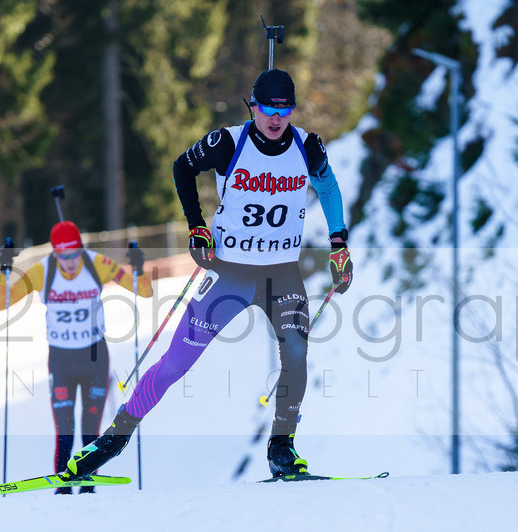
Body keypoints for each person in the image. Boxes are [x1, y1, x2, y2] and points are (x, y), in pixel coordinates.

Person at [60, 69, 354, 480]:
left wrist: (339, 243)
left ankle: (282, 448)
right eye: (267, 108)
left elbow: (328, 186)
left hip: (281, 275)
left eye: (284, 109)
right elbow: (182, 168)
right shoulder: (228, 142)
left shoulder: (308, 147)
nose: (276, 118)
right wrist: (196, 226)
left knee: (297, 354)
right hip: (229, 273)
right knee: (177, 363)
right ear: (253, 106)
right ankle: (114, 437)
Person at [0, 221, 152, 493]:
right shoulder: (43, 270)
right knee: (64, 429)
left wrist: (138, 268)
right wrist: (5, 270)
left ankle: (88, 486)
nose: (69, 262)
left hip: (95, 358)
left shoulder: (96, 263)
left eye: (74, 254)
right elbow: (1, 302)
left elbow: (144, 290)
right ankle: (62, 487)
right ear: (55, 252)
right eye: (63, 256)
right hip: (61, 358)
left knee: (91, 429)